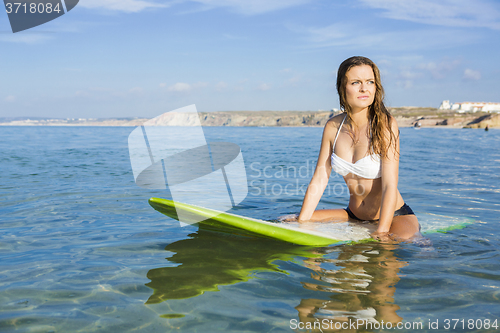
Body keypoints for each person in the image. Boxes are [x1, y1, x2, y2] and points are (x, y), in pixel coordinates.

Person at [297, 56, 420, 242]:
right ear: (342, 87)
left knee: (386, 255)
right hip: (353, 215)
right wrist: (301, 222)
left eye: (370, 82)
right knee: (287, 220)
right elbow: (320, 178)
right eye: (356, 82)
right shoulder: (333, 127)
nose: (364, 88)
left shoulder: (386, 125)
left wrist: (382, 231)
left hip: (394, 216)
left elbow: (389, 185)